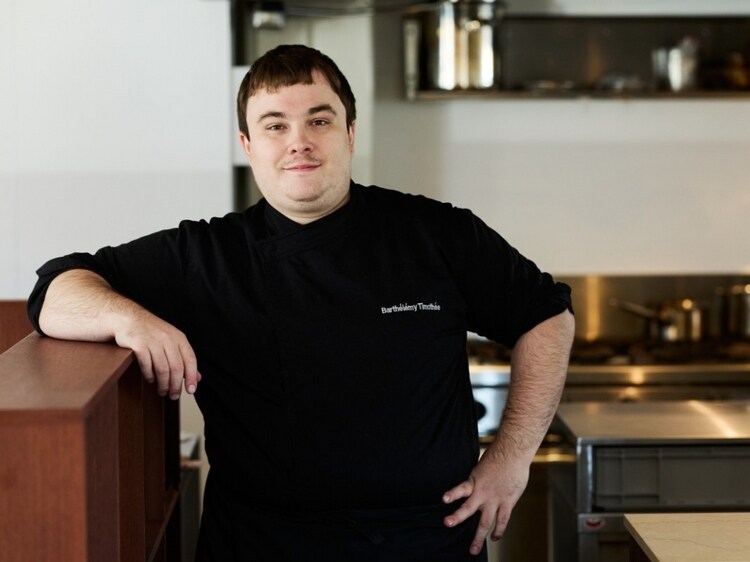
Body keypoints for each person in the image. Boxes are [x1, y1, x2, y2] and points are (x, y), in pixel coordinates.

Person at [27, 44, 575, 561]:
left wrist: (511, 459)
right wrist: (129, 318)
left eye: (319, 120)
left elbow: (547, 316)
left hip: (428, 539)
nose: (299, 142)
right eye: (275, 125)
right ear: (248, 145)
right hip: (262, 543)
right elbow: (55, 288)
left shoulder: (436, 233)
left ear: (350, 133)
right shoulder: (206, 255)